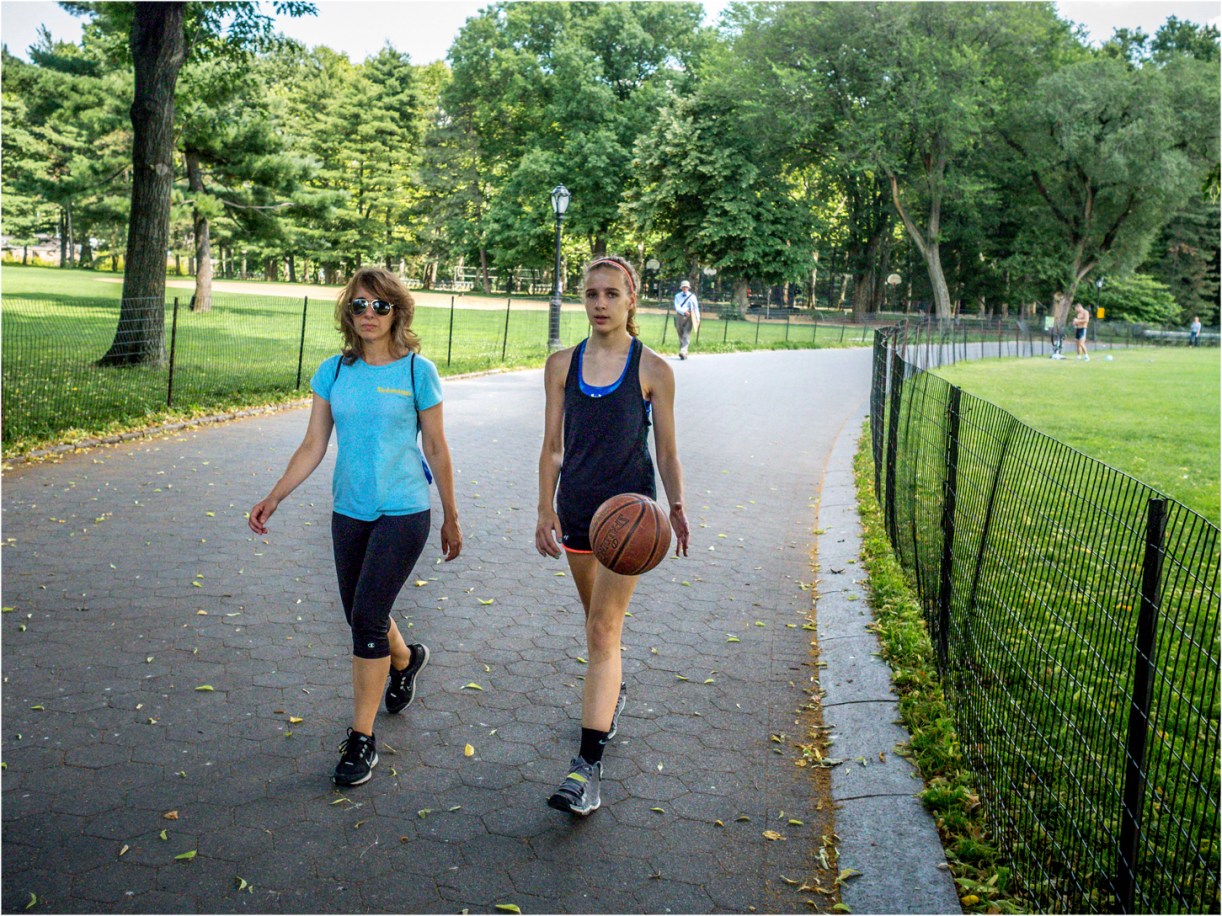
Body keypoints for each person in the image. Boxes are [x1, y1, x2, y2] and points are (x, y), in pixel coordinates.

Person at [249, 266, 462, 787]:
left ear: (398, 312)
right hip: (349, 510)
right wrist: (275, 495)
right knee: (361, 612)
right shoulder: (334, 372)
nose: (368, 314)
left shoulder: (418, 372)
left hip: (405, 510)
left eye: (379, 306)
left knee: (366, 617)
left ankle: (361, 739)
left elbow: (435, 446)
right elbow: (313, 444)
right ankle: (406, 661)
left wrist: (451, 516)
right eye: (359, 306)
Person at [535, 255, 691, 815]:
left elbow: (666, 451)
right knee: (597, 625)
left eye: (611, 294)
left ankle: (586, 769)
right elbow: (552, 447)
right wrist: (543, 508)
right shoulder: (560, 365)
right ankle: (612, 688)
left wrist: (675, 506)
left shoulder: (652, 369)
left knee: (602, 630)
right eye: (590, 293)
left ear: (632, 299)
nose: (599, 303)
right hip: (578, 513)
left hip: (630, 518)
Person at [672, 279, 700, 360]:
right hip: (679, 316)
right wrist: (684, 311)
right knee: (680, 333)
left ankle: (683, 351)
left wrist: (698, 318)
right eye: (683, 287)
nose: (685, 289)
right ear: (681, 288)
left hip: (689, 317)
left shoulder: (692, 297)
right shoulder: (677, 296)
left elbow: (696, 308)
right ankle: (683, 351)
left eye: (686, 287)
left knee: (686, 334)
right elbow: (677, 307)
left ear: (688, 288)